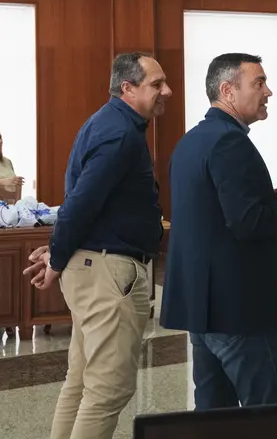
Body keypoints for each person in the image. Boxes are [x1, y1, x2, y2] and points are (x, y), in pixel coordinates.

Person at [24, 53, 170, 439]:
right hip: (109, 273)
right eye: (156, 84)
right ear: (128, 88)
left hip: (97, 266)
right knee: (108, 389)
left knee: (82, 382)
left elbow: (91, 201)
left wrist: (60, 248)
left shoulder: (108, 123)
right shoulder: (120, 134)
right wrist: (56, 256)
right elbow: (81, 202)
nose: (166, 91)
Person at [162, 53, 277, 409]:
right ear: (228, 90)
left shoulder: (191, 141)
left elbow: (214, 211)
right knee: (269, 412)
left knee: (215, 415)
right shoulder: (231, 142)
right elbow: (247, 223)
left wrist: (272, 198)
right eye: (258, 83)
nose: (268, 92)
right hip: (239, 311)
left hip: (203, 308)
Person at [0, 130, 25, 200]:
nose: (0, 141)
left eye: (0, 137)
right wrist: (5, 181)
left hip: (11, 208)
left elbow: (16, 186)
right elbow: (9, 181)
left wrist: (17, 206)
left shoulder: (8, 161)